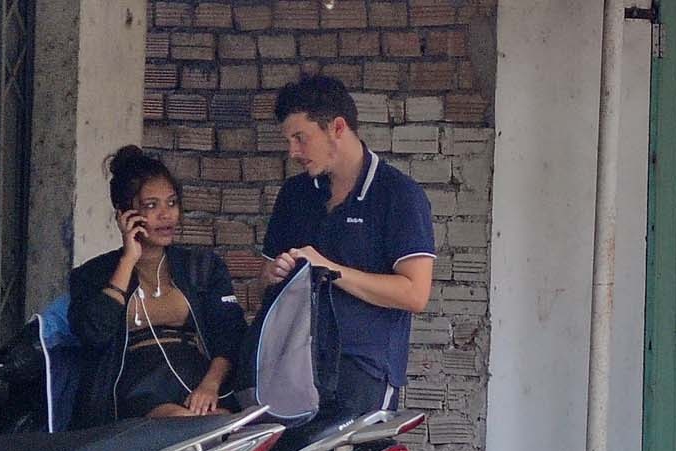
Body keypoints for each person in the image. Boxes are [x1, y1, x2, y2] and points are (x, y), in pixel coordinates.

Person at [261, 75, 436, 420]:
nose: (293, 152)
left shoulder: (398, 194)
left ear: (337, 128)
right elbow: (262, 281)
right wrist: (273, 273)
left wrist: (330, 269)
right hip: (291, 365)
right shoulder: (295, 193)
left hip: (363, 369)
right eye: (289, 141)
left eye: (300, 138)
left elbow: (415, 294)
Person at [69, 146, 247, 429]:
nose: (166, 215)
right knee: (181, 425)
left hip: (197, 376)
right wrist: (128, 260)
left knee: (225, 425)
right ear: (125, 214)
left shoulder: (202, 268)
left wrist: (210, 386)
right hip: (134, 385)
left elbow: (231, 335)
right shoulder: (93, 274)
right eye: (151, 206)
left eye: (172, 203)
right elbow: (93, 334)